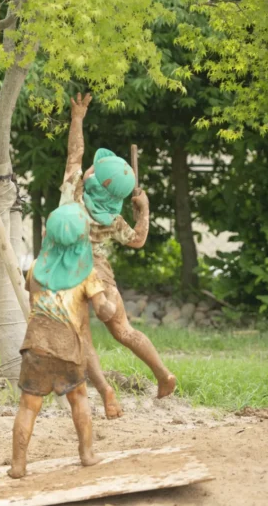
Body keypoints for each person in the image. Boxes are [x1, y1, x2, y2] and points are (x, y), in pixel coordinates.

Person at [61, 94, 176, 419]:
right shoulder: (114, 219)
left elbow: (75, 152)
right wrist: (144, 209)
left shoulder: (72, 194)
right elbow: (138, 241)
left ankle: (107, 392)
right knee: (123, 330)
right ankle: (163, 374)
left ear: (92, 181)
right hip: (102, 275)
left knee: (83, 338)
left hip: (71, 273)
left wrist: (78, 118)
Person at [8, 203, 117, 478]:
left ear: (48, 237)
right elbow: (103, 310)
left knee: (28, 406)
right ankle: (87, 454)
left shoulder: (34, 269)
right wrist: (110, 304)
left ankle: (19, 464)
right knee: (79, 398)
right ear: (83, 240)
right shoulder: (87, 276)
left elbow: (31, 292)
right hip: (69, 351)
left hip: (36, 348)